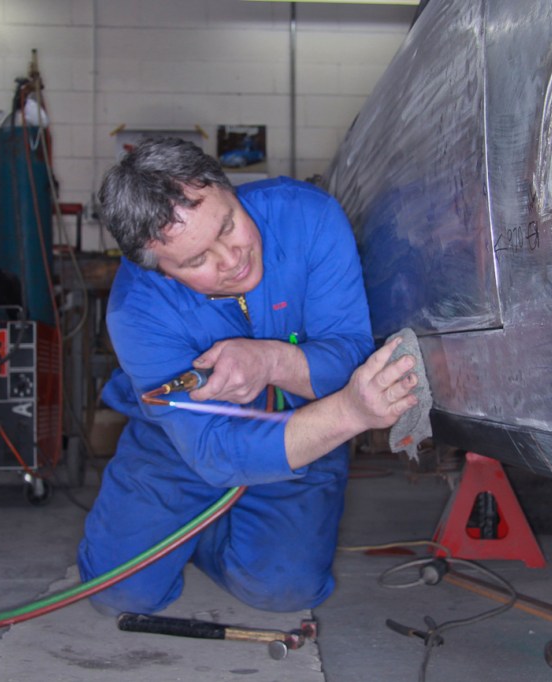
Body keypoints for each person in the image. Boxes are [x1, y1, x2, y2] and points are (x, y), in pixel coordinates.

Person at [78, 137, 419, 615]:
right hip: (183, 443)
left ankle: (207, 537)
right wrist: (351, 412)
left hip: (303, 427)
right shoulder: (137, 311)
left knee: (285, 590)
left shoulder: (308, 218)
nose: (232, 258)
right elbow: (214, 450)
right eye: (198, 261)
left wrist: (273, 362)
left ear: (226, 187)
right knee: (122, 595)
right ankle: (183, 524)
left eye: (228, 224)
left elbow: (348, 353)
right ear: (159, 270)